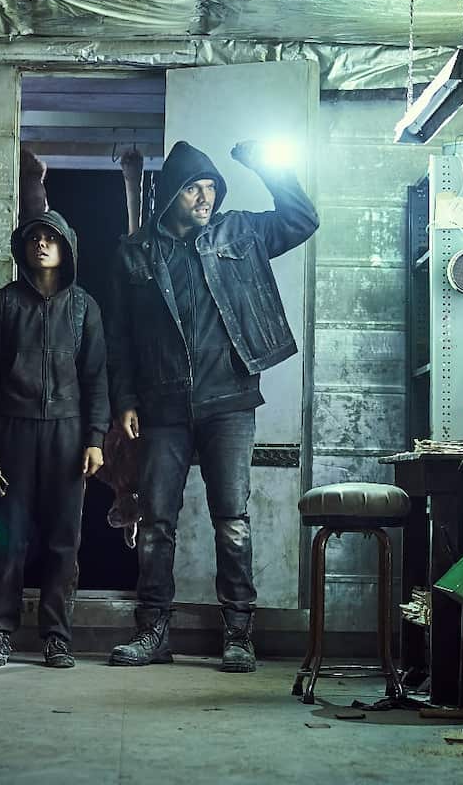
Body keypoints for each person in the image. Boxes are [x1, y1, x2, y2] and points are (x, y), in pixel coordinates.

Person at [105, 138, 318, 671]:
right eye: (193, 189)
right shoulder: (137, 252)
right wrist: (125, 398)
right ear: (172, 194)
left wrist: (267, 162)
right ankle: (153, 631)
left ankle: (239, 634)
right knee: (156, 522)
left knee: (233, 520)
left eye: (210, 188)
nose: (204, 198)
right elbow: (120, 336)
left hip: (230, 400)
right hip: (162, 405)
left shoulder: (240, 232)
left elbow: (302, 218)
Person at [0, 210, 109, 668]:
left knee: (63, 540)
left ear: (66, 248)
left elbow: (97, 380)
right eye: (34, 239)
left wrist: (95, 439)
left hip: (67, 435)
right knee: (7, 538)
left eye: (51, 238)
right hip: (10, 432)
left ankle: (56, 637)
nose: (41, 245)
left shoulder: (85, 307)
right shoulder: (4, 304)